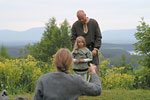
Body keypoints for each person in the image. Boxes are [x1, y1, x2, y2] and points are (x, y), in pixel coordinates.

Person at [33, 48, 102, 100]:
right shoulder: (76, 80)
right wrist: (93, 72)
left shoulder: (43, 80)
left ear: (55, 62)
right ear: (70, 63)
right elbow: (97, 90)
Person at [71, 10, 102, 75]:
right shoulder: (75, 25)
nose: (81, 20)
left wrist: (96, 49)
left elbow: (98, 37)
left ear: (85, 15)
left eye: (82, 18)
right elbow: (73, 39)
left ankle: (96, 85)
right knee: (81, 73)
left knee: (95, 72)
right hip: (80, 52)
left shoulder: (93, 22)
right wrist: (76, 49)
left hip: (92, 49)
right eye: (79, 19)